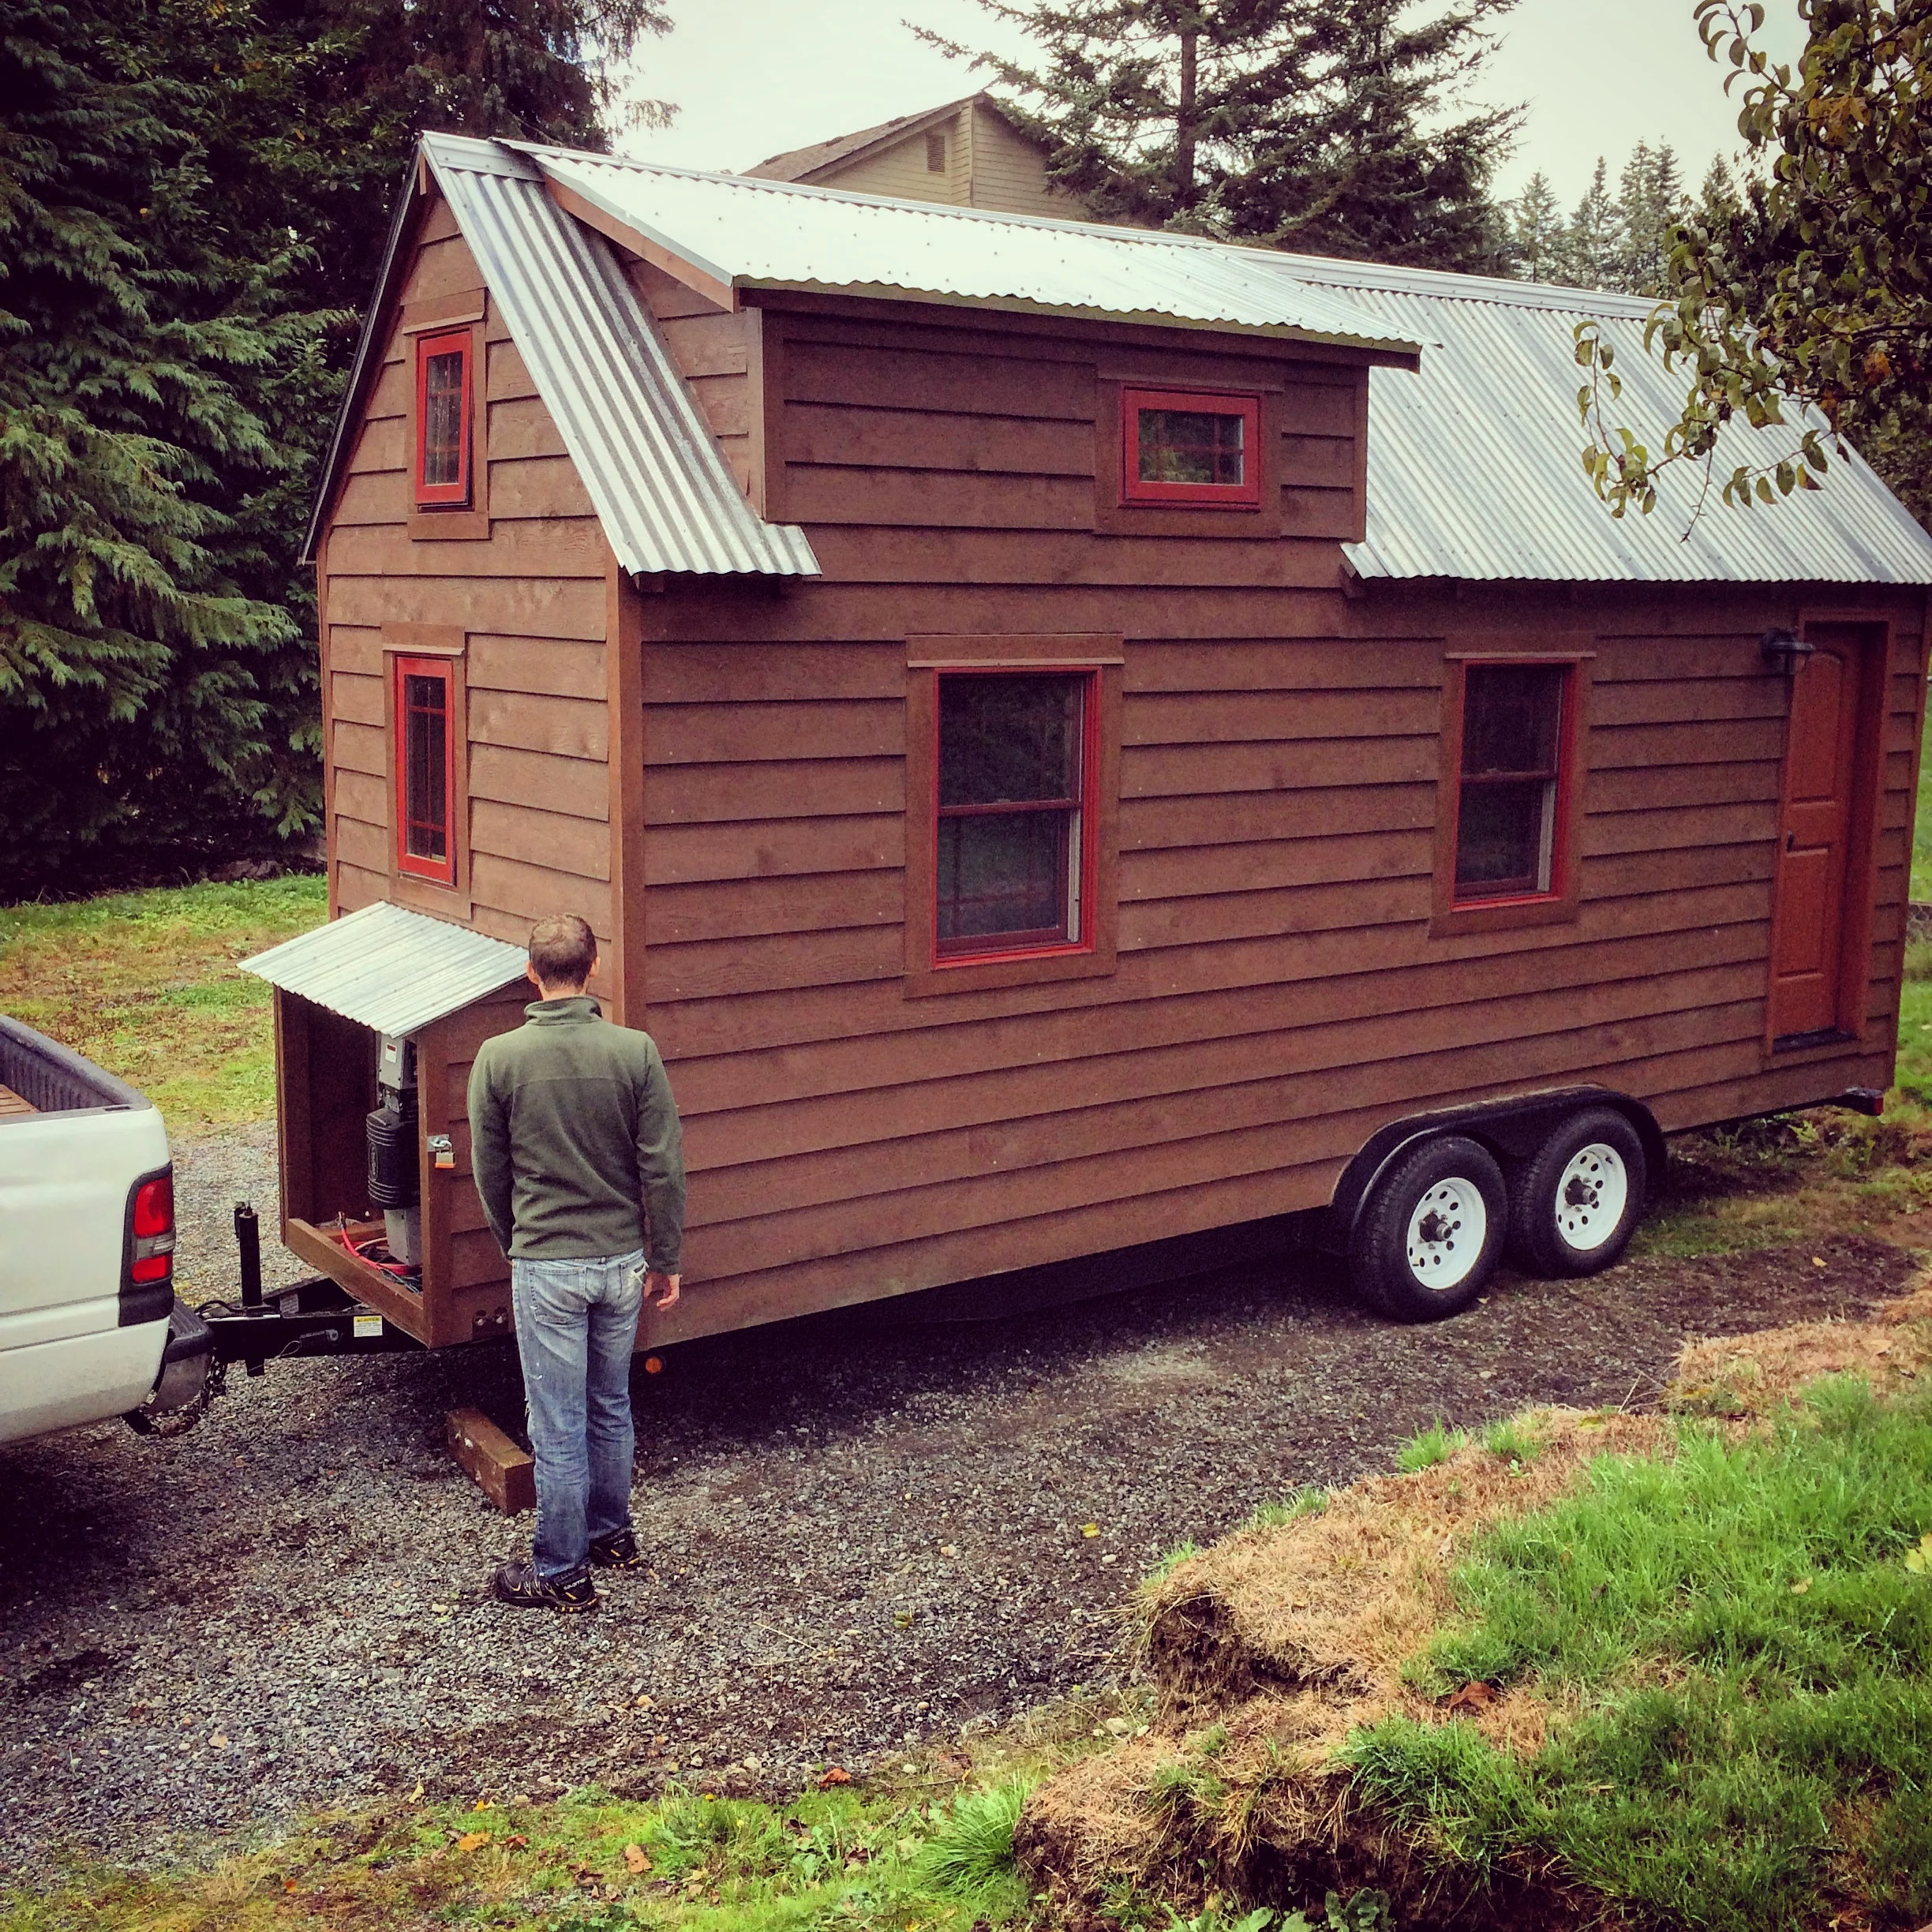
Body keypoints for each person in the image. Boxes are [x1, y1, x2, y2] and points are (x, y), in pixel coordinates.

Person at [467, 914, 685, 1612]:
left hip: (547, 1264)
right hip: (621, 1261)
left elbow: (488, 1172)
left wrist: (516, 1243)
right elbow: (663, 1167)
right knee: (610, 1402)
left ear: (532, 972)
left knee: (556, 1420)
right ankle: (611, 1535)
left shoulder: (497, 1058)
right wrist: (666, 1255)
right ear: (592, 970)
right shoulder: (635, 1051)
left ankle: (562, 1573)